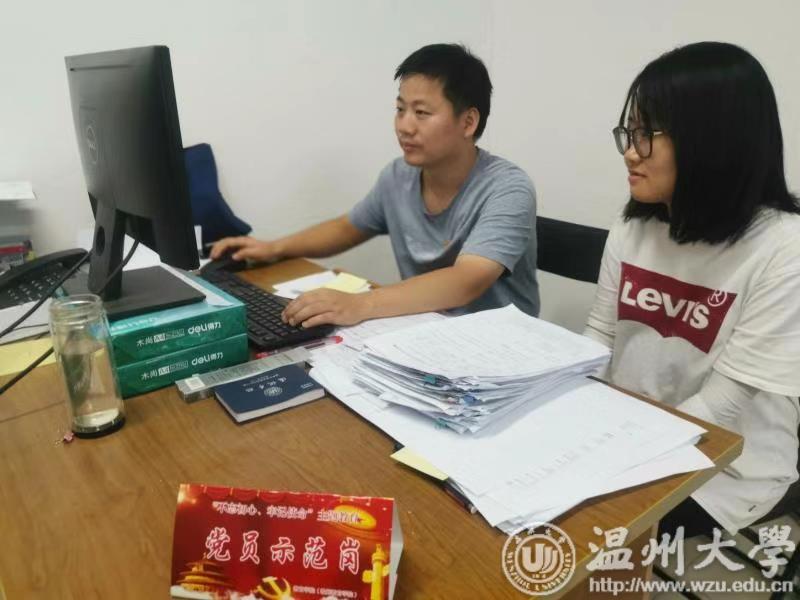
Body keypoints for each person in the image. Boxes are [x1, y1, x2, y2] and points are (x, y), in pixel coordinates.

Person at [585, 41, 800, 537]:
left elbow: (725, 402)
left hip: (724, 468)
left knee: (578, 536)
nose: (630, 152)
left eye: (647, 134)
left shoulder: (782, 247)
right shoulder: (636, 224)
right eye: (629, 132)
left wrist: (619, 453)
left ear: (712, 141)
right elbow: (600, 334)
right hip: (628, 432)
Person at [211, 43, 538, 328]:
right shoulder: (398, 176)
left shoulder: (507, 188)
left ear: (468, 122)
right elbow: (347, 228)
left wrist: (360, 305)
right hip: (426, 333)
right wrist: (273, 248)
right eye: (400, 109)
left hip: (501, 350)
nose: (404, 126)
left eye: (421, 112)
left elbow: (466, 281)